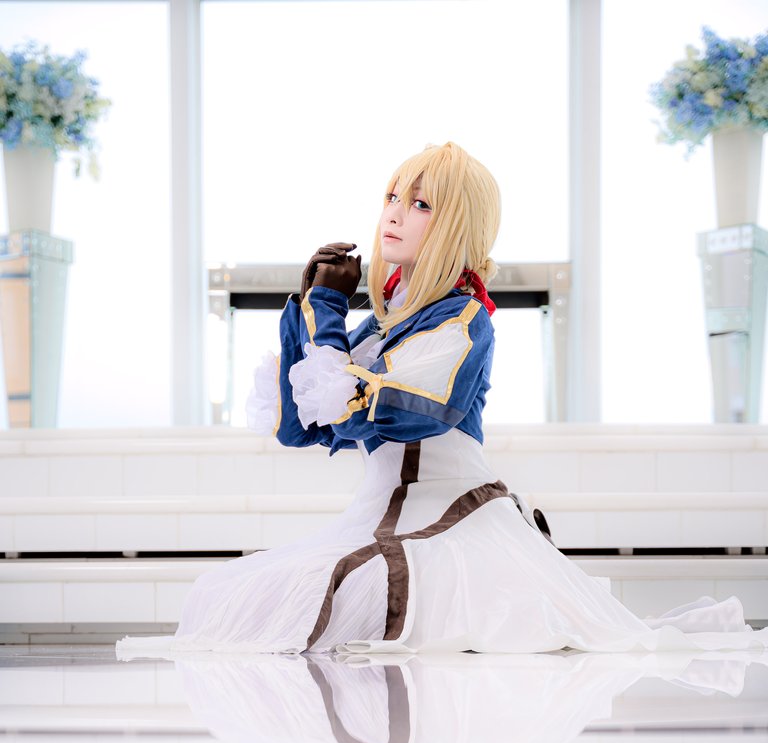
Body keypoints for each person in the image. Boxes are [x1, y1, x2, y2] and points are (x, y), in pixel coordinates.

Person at [116, 141, 766, 660]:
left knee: (333, 597)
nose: (395, 214)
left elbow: (383, 409)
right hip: (380, 516)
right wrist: (316, 305)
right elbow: (300, 425)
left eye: (420, 204)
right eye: (392, 197)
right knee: (230, 595)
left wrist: (329, 309)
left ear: (457, 224)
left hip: (451, 519)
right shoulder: (383, 328)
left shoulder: (462, 320)